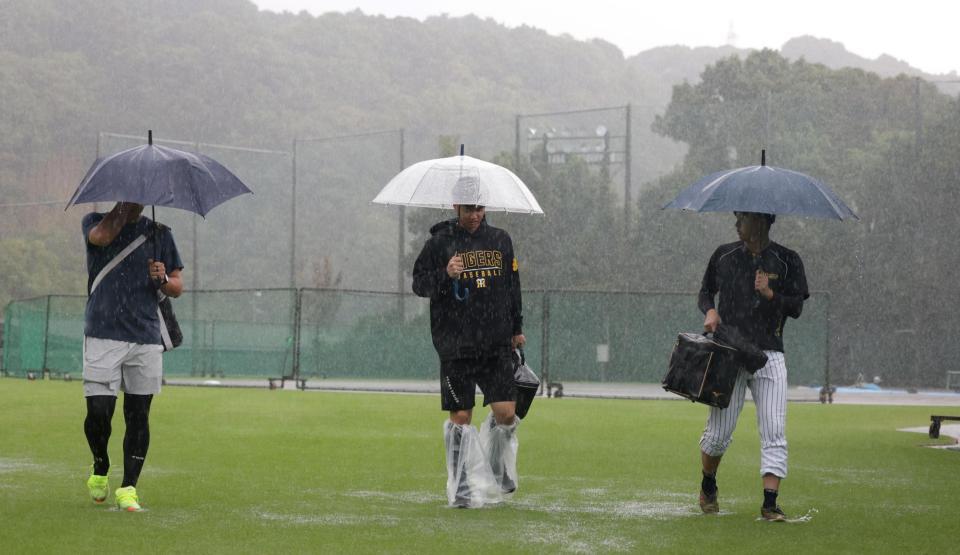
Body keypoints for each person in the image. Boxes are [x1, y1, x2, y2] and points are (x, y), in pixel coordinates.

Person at [412, 176, 526, 508]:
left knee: (506, 413)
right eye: (468, 209)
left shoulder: (501, 240)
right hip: (455, 344)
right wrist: (445, 275)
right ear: (455, 207)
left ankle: (495, 464)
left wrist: (517, 328)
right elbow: (419, 285)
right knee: (460, 416)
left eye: (479, 208)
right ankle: (461, 486)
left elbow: (512, 287)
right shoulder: (439, 242)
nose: (475, 215)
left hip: (496, 344)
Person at [696, 211, 809, 522]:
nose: (736, 223)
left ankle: (770, 503)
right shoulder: (724, 255)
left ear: (760, 221)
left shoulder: (787, 260)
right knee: (718, 435)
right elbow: (705, 292)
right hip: (729, 354)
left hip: (770, 355)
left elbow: (797, 307)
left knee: (774, 431)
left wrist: (770, 294)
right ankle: (708, 485)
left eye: (742, 218)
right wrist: (710, 312)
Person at [81, 202, 183, 512]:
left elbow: (178, 286)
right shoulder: (96, 221)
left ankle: (129, 487)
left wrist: (163, 278)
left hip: (145, 337)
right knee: (99, 413)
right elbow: (100, 238)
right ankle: (101, 465)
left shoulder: (161, 234)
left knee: (138, 415)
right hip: (102, 331)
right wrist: (127, 210)